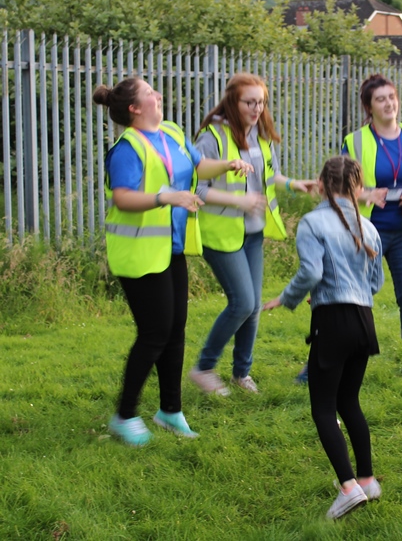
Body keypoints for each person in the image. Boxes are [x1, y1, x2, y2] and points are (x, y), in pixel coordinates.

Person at [93, 77, 253, 446]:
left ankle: (170, 410)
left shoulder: (171, 132)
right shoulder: (127, 148)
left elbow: (198, 166)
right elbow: (122, 198)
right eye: (150, 92)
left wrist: (227, 165)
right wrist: (167, 198)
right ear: (135, 108)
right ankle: (124, 415)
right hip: (139, 253)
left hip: (172, 247)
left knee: (175, 332)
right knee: (154, 334)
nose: (158, 95)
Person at [263, 156, 384, 519]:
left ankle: (348, 488)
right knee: (350, 401)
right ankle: (367, 480)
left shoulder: (313, 222)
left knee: (323, 407)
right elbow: (375, 282)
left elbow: (311, 272)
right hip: (364, 321)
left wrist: (287, 297)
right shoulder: (368, 227)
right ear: (358, 188)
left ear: (320, 184)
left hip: (333, 321)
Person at [187, 73, 316, 396]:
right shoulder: (212, 138)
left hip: (252, 232)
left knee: (253, 306)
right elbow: (195, 188)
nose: (257, 108)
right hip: (220, 234)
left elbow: (270, 176)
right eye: (250, 102)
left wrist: (293, 184)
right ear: (233, 101)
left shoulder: (260, 135)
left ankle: (241, 374)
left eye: (261, 102)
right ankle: (204, 368)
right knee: (243, 302)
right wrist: (238, 201)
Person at [342, 74, 402, 380]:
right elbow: (341, 183)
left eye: (391, 97)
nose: (388, 104)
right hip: (368, 231)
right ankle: (329, 356)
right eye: (380, 99)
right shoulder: (355, 141)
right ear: (368, 106)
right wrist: (366, 194)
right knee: (349, 295)